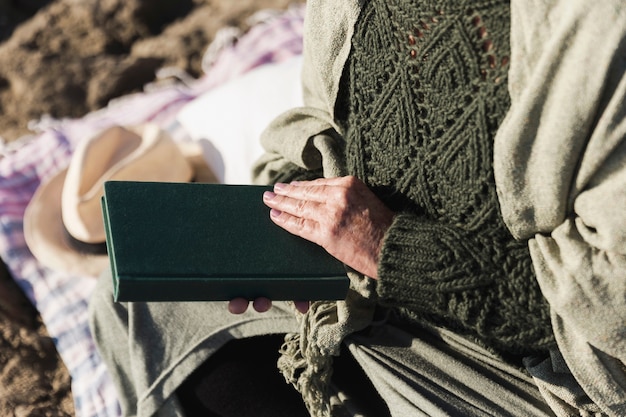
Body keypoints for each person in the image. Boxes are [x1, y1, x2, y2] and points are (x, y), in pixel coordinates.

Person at [89, 0, 626, 416]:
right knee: (134, 294)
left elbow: (606, 317)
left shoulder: (602, 32)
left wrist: (391, 249)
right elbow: (318, 128)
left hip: (526, 372)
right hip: (364, 293)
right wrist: (290, 232)